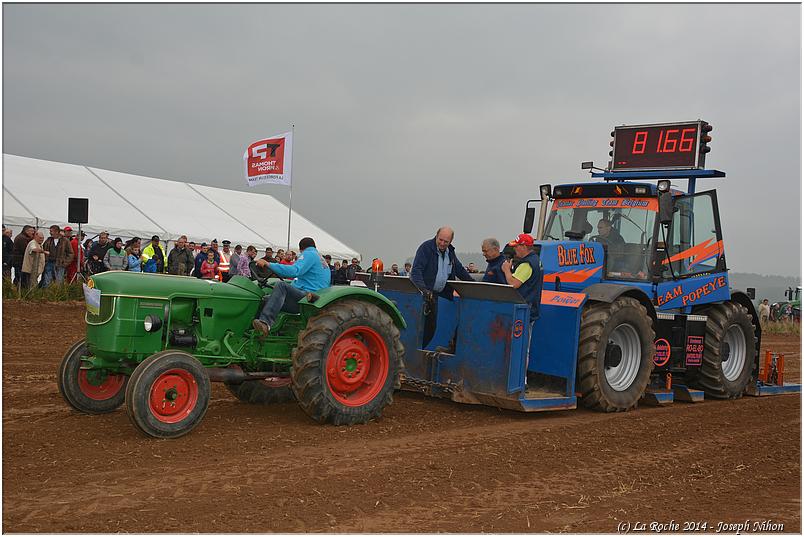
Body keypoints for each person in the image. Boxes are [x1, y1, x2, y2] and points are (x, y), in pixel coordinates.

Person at [251, 237, 330, 335]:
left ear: (301, 249)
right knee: (266, 299)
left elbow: (294, 271)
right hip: (315, 297)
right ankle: (260, 332)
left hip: (308, 298)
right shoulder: (320, 258)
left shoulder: (309, 254)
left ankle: (265, 323)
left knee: (281, 285)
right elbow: (302, 279)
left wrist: (268, 264)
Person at [410, 226, 474, 300]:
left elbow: (460, 271)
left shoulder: (450, 252)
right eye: (440, 240)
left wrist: (475, 285)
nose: (442, 243)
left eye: (446, 241)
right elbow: (416, 271)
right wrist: (424, 291)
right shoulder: (426, 248)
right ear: (436, 236)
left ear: (450, 241)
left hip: (443, 296)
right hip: (425, 296)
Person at [501, 234, 543, 317]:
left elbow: (513, 284)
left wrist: (506, 270)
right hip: (531, 307)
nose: (514, 249)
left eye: (516, 246)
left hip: (524, 310)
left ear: (523, 247)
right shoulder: (536, 259)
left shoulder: (527, 264)